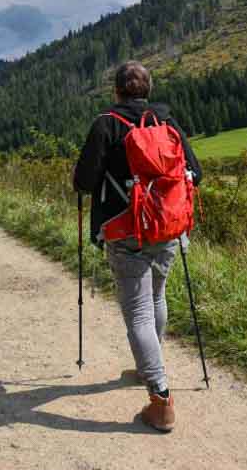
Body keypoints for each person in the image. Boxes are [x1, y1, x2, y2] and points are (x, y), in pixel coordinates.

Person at [73, 60, 203, 432]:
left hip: (126, 231)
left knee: (139, 313)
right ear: (148, 90)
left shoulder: (107, 124)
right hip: (168, 228)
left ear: (116, 91)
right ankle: (150, 365)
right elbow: (197, 173)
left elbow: (84, 181)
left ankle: (160, 400)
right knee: (157, 299)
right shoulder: (167, 122)